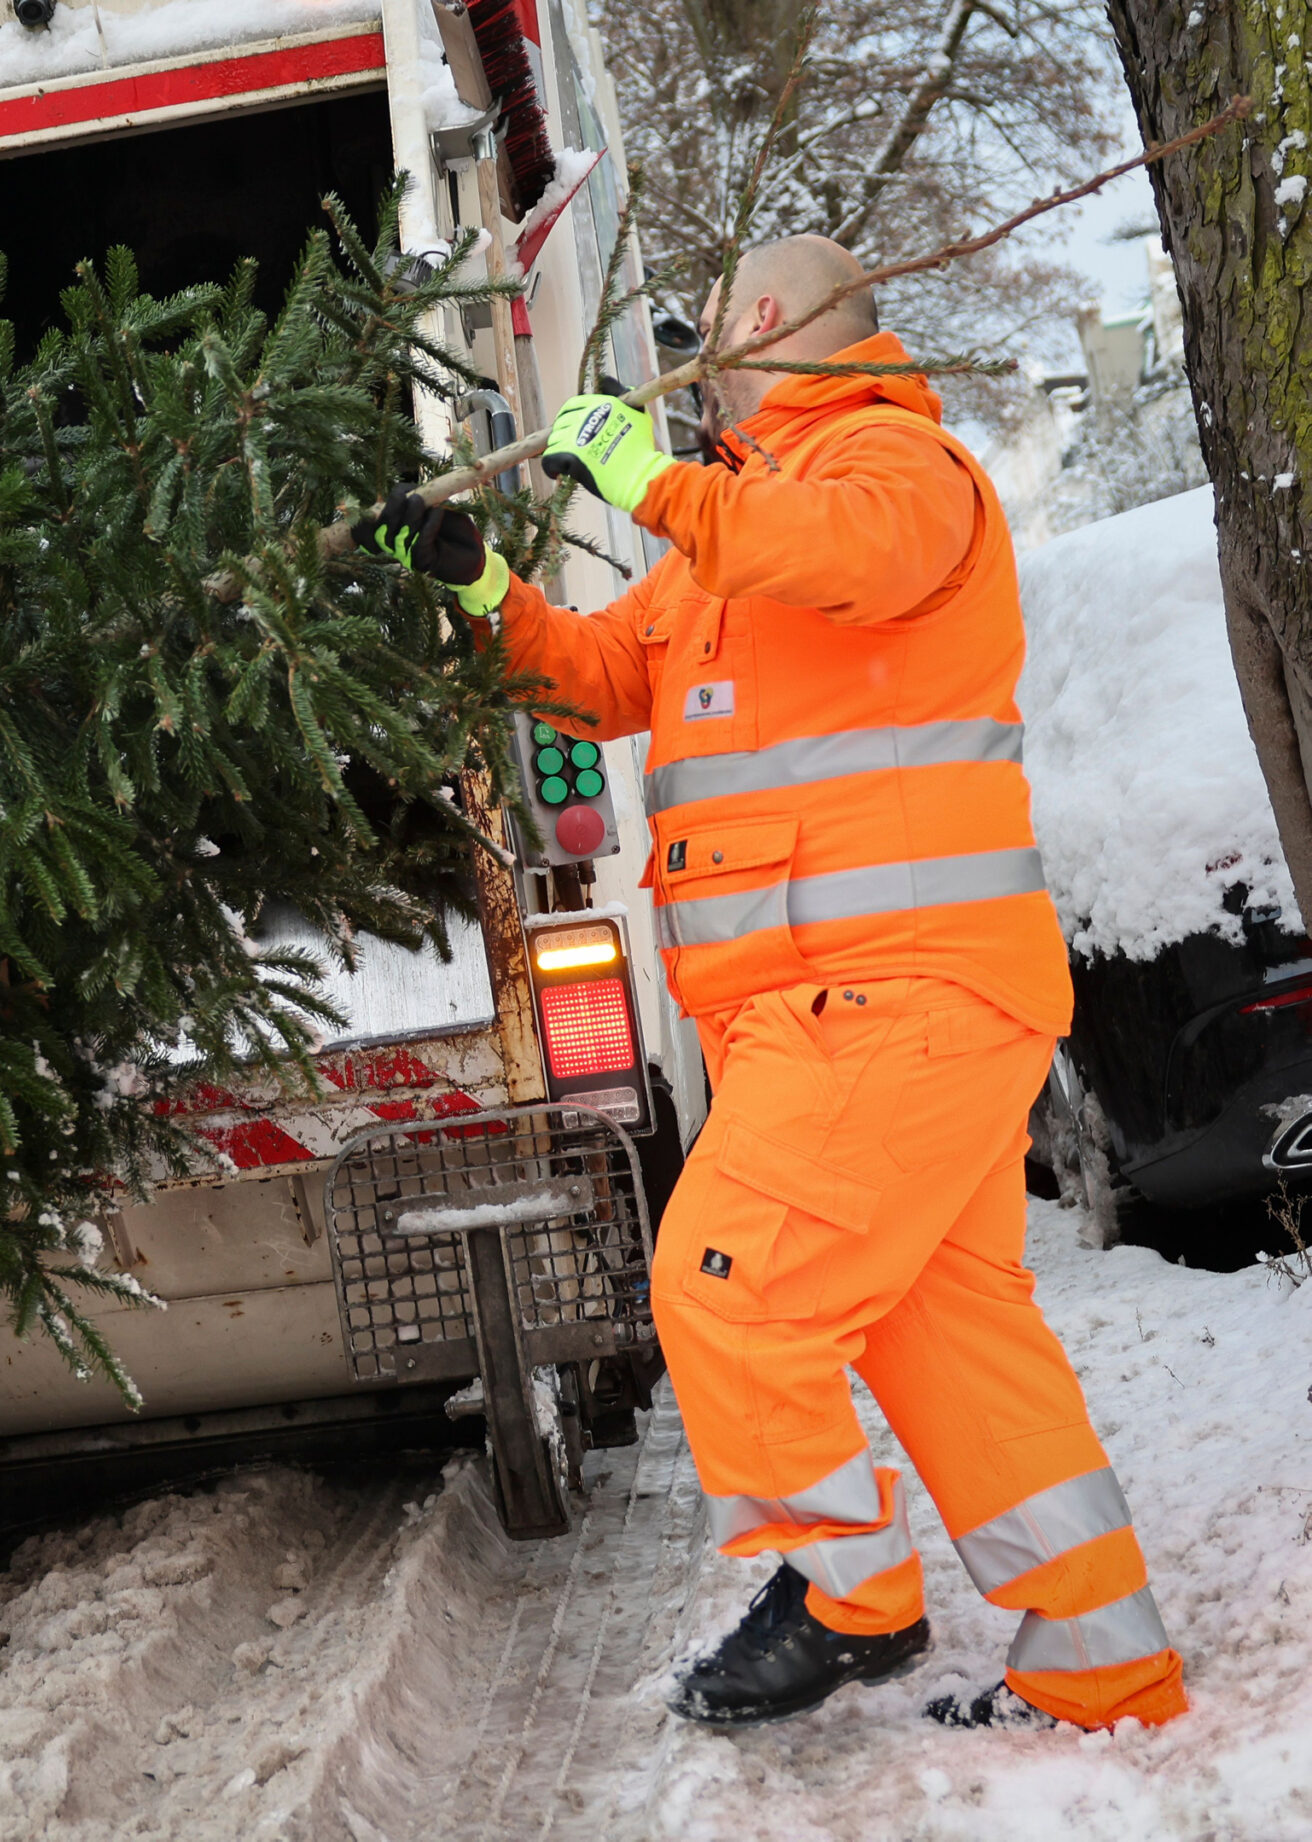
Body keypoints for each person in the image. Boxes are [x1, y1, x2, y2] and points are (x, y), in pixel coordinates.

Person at [363, 236, 1186, 1733]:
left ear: (758, 321)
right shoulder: (725, 538)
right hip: (848, 1014)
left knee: (726, 1290)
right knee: (952, 1340)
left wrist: (663, 486)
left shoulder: (895, 467)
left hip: (892, 995)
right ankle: (1102, 1660)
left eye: (709, 323)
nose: (693, 349)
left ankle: (850, 1598)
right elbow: (607, 672)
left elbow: (846, 556)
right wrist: (484, 586)